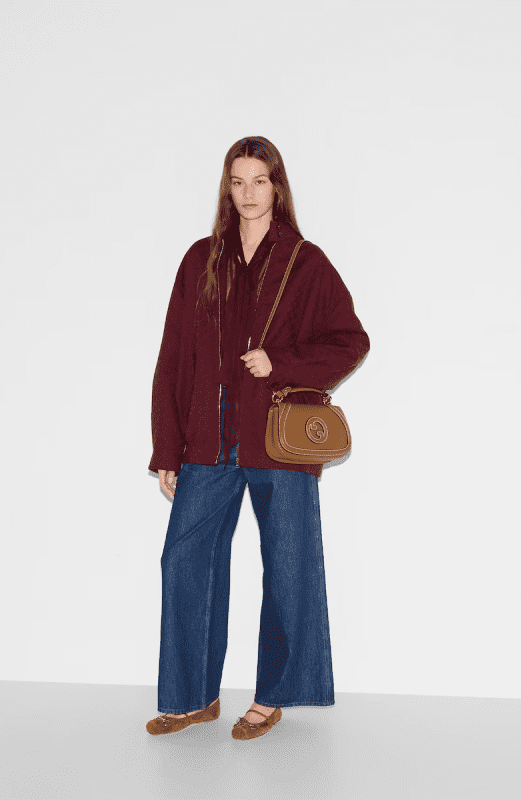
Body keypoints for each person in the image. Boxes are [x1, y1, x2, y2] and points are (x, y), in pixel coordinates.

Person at [145, 136, 370, 740]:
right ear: (227, 188)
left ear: (277, 187)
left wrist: (282, 363)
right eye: (238, 182)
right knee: (184, 559)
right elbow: (173, 356)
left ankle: (273, 695)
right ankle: (191, 696)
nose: (248, 193)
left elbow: (351, 341)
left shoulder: (304, 261)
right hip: (208, 441)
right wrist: (167, 447)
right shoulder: (201, 260)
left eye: (259, 181)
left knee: (289, 566)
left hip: (276, 439)